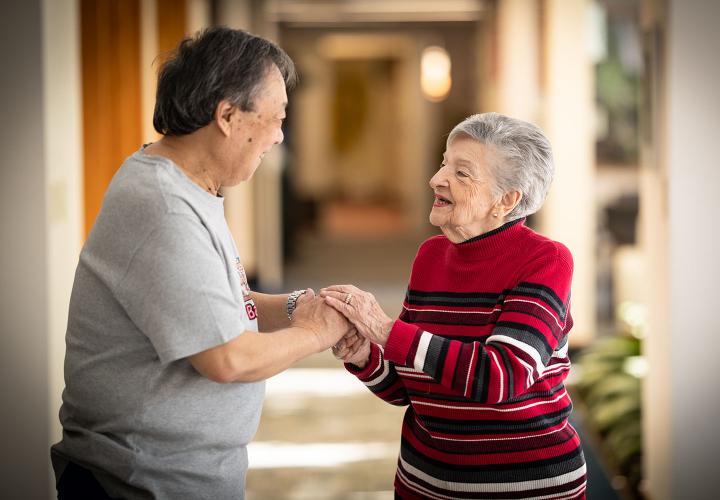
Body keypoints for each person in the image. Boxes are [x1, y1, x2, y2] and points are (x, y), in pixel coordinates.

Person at [51, 27, 352, 499]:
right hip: (137, 480)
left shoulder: (191, 187)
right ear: (228, 116)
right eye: (275, 119)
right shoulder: (163, 207)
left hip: (178, 475)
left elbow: (215, 304)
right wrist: (316, 333)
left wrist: (296, 307)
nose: (277, 137)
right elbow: (225, 357)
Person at [323, 112, 587, 499]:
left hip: (525, 486)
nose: (436, 179)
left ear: (507, 199)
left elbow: (500, 378)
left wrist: (383, 330)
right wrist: (365, 357)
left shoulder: (546, 260)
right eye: (444, 163)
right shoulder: (431, 255)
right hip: (424, 483)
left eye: (461, 173)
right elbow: (408, 387)